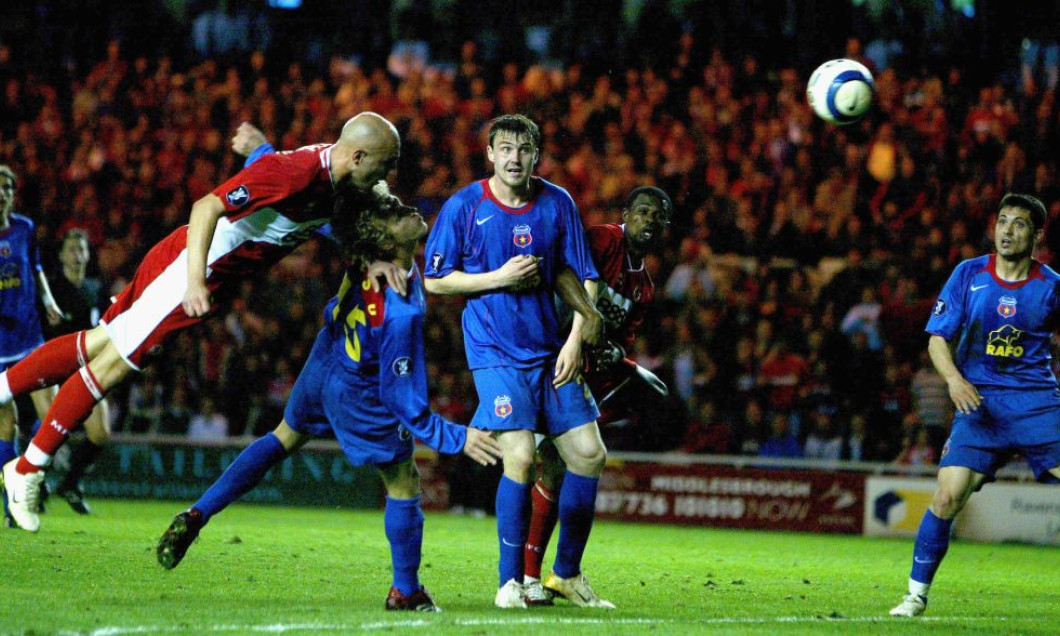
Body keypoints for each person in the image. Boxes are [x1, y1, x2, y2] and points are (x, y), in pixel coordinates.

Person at [0, 113, 406, 532]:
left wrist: (369, 257)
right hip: (193, 268)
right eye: (386, 162)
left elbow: (315, 215)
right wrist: (194, 282)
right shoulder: (299, 173)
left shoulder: (330, 179)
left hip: (188, 264)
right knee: (111, 367)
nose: (389, 174)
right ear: (357, 156)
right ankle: (28, 468)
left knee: (99, 343)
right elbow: (207, 205)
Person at [156, 195, 503, 612]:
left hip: (326, 360)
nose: (408, 209)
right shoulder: (400, 309)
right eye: (395, 214)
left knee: (283, 438)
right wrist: (456, 437)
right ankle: (405, 589)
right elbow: (400, 397)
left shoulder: (363, 252)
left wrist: (259, 152)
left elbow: (311, 207)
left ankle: (198, 514)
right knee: (403, 480)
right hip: (358, 387)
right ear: (384, 238)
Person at [423, 114, 612, 609]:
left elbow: (578, 273)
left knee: (589, 455)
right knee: (522, 456)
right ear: (489, 153)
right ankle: (510, 583)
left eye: (524, 149)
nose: (514, 158)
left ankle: (564, 574)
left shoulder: (557, 203)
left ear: (536, 155)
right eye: (505, 148)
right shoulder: (464, 206)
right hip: (494, 353)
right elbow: (436, 280)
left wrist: (577, 335)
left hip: (551, 351)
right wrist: (498, 277)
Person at [889, 193, 1060, 618]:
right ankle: (914, 597)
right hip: (979, 403)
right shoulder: (968, 274)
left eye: (1018, 224)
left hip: (1036, 404)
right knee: (946, 496)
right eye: (1002, 221)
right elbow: (937, 339)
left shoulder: (1052, 286)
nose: (1006, 230)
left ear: (1037, 235)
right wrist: (953, 379)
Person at [522, 185, 672, 604]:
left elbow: (620, 337)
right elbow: (565, 275)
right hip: (550, 354)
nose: (648, 221)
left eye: (656, 217)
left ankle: (535, 577)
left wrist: (616, 351)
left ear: (665, 228)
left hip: (580, 372)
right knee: (570, 458)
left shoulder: (645, 288)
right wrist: (579, 327)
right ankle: (550, 573)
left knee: (555, 465)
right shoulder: (604, 239)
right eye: (641, 212)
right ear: (626, 212)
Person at [0, 164, 63, 525]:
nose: (2, 193)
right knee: (5, 424)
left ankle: (26, 470)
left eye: (7, 186)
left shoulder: (24, 228)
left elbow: (36, 267)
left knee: (53, 414)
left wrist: (49, 300)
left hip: (29, 337)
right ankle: (12, 501)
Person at [42, 229, 112, 515]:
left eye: (82, 249)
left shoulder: (96, 289)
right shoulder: (51, 290)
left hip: (86, 371)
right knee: (51, 431)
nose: (77, 255)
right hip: (51, 370)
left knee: (100, 434)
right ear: (60, 256)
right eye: (71, 249)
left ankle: (70, 482)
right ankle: (33, 484)